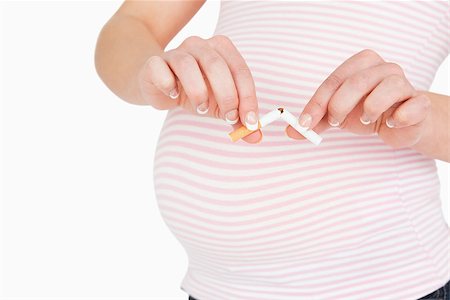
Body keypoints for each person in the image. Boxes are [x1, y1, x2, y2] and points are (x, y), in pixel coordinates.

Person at [94, 1, 450, 299]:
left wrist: (421, 117)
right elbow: (132, 23)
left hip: (383, 287)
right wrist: (150, 74)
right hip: (216, 287)